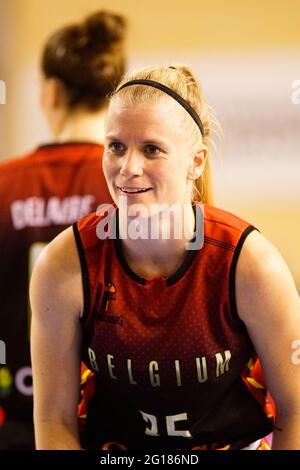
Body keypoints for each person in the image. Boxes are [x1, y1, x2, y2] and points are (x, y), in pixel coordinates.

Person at [30, 65, 300, 450]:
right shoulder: (65, 264)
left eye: (151, 149)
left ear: (196, 162)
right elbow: (53, 418)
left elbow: (295, 411)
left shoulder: (251, 265)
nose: (128, 168)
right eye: (116, 146)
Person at [0, 10, 127, 449]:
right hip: (112, 425)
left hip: (14, 419)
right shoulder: (134, 190)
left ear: (51, 92)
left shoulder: (4, 184)